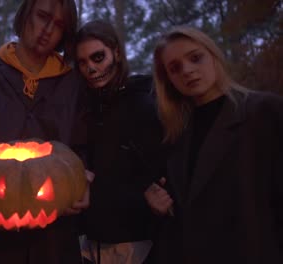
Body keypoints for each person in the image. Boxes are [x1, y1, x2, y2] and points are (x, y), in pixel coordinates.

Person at [0, 0, 90, 263]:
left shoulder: (73, 84)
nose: (48, 29)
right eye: (43, 16)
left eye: (59, 24)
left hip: (54, 238)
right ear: (26, 13)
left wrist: (84, 176)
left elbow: (81, 146)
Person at [144, 25, 283, 263]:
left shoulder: (265, 112)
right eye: (175, 68)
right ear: (169, 80)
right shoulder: (175, 135)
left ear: (213, 56)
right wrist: (158, 204)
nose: (188, 71)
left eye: (195, 58)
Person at [74, 20, 164, 264]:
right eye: (82, 62)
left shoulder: (148, 101)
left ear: (116, 51)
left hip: (139, 243)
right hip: (91, 244)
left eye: (97, 57)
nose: (91, 68)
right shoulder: (83, 108)